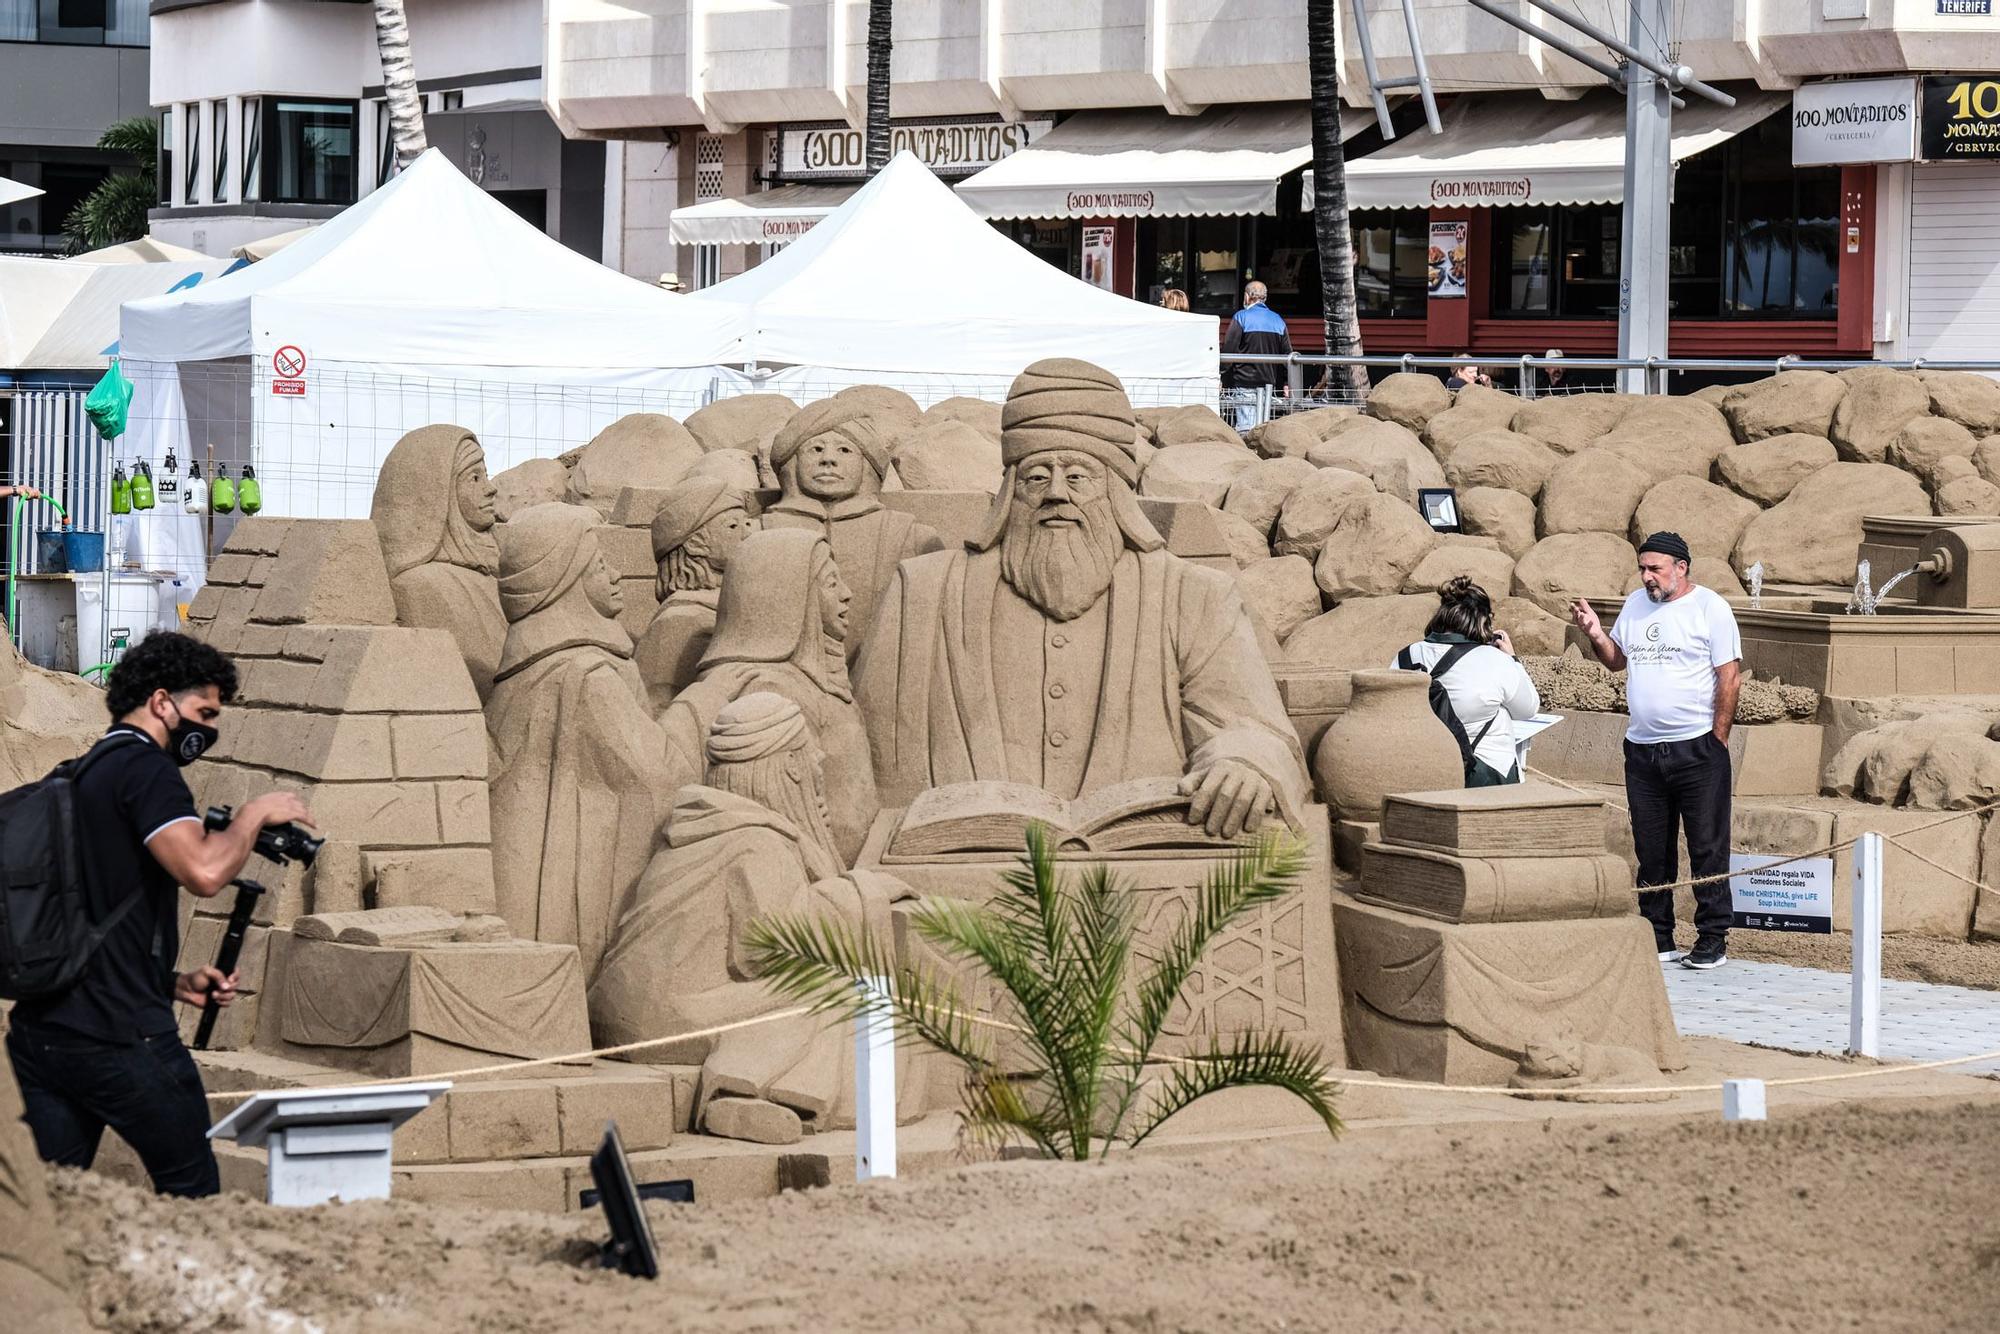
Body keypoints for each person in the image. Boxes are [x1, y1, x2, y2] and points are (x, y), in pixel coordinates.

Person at [854, 358, 1309, 838]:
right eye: (1035, 477)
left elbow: (1251, 726)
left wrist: (1241, 763)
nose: (1056, 494)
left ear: (1115, 492)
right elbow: (864, 748)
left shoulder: (1193, 596)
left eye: (1077, 477)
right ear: (1010, 491)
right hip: (963, 867)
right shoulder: (923, 593)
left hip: (1144, 866)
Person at [5, 632, 313, 1198]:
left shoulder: (84, 771)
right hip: (122, 1037)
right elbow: (203, 871)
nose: (209, 730)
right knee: (194, 1191)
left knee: (52, 1204)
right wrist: (251, 817)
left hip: (45, 1034)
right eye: (205, 712)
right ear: (162, 701)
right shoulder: (146, 771)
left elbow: (91, 916)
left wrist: (173, 982)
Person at [1570, 531, 1743, 971]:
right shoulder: (1634, 603)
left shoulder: (1710, 608)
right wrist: (1594, 633)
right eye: (1642, 569)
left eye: (1655, 569)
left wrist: (1716, 738)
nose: (1647, 577)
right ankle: (1657, 932)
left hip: (1698, 749)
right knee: (1651, 848)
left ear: (1680, 568)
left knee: (1707, 845)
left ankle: (1712, 937)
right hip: (1643, 751)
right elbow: (1616, 660)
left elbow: (1730, 677)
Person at [662, 528, 879, 864]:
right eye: (832, 584)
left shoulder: (812, 682)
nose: (847, 594)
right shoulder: (770, 693)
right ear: (789, 595)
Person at [761, 395, 943, 653]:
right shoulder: (762, 531)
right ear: (793, 461)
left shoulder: (909, 537)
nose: (828, 460)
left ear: (866, 463)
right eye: (816, 449)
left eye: (844, 450)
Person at [1391, 576, 1540, 786]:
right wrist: (1512, 659)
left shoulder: (1405, 656)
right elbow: (1528, 708)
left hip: (1421, 770)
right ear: (1482, 621)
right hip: (1483, 775)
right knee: (1502, 710)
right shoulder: (1495, 661)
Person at [1220, 280, 1291, 430]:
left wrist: (1221, 375)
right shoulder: (1278, 320)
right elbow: (1287, 354)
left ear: (1247, 297)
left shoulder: (1241, 317)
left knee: (1246, 430)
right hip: (1269, 385)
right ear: (1265, 297)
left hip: (1244, 383)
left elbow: (1229, 349)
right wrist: (1286, 382)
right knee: (1262, 430)